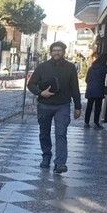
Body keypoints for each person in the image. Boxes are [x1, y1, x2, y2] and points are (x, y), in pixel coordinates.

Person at [27, 41, 82, 173]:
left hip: (62, 105)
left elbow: (75, 88)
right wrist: (41, 93)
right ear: (50, 52)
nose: (57, 52)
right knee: (44, 133)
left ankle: (60, 163)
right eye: (54, 50)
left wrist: (78, 106)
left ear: (64, 52)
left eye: (59, 50)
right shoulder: (42, 67)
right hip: (44, 105)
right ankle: (46, 157)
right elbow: (31, 84)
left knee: (61, 133)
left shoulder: (70, 67)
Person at [84, 53, 107, 129]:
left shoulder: (91, 68)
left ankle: (86, 122)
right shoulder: (103, 67)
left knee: (89, 107)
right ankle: (96, 123)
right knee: (98, 107)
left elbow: (86, 80)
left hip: (90, 90)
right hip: (99, 90)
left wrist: (91, 85)